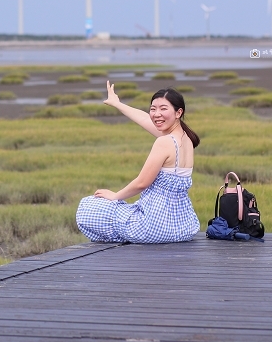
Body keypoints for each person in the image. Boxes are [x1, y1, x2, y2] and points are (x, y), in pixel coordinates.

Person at [75, 84, 200, 244]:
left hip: (155, 226)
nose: (157, 114)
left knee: (87, 207)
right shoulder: (185, 138)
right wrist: (117, 103)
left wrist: (115, 196)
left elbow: (142, 183)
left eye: (163, 109)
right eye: (153, 109)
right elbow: (143, 118)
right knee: (117, 211)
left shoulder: (164, 142)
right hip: (184, 227)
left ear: (178, 112)